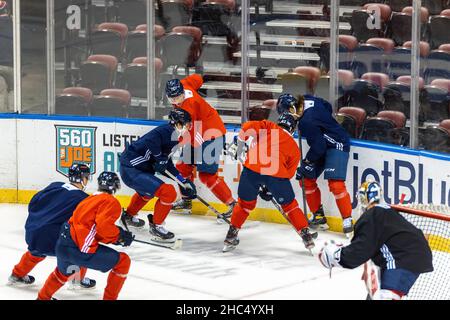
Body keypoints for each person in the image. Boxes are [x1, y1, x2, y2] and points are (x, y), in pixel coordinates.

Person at [318, 180, 433, 300]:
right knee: (376, 296)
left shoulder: (372, 215)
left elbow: (360, 251)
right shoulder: (387, 211)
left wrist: (336, 256)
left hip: (402, 259)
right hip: (413, 256)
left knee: (385, 297)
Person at [223, 112, 318, 252]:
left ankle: (231, 235)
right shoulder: (294, 148)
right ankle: (306, 236)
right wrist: (270, 187)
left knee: (244, 205)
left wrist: (239, 140)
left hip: (251, 169)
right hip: (277, 175)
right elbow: (288, 173)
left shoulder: (269, 127)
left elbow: (248, 126)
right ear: (292, 128)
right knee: (290, 206)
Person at [37, 172, 134, 300]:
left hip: (62, 244)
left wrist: (116, 237)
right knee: (123, 261)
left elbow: (91, 228)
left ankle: (42, 298)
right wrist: (118, 236)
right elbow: (103, 227)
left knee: (62, 273)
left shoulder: (87, 199)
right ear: (116, 186)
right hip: (79, 248)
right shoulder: (111, 201)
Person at [276, 93, 354, 235]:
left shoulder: (306, 122)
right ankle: (319, 217)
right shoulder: (305, 98)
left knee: (336, 184)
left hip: (337, 143)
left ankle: (347, 220)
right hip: (322, 143)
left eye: (287, 114)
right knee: (306, 179)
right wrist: (324, 124)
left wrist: (306, 163)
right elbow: (327, 105)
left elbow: (319, 147)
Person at [8, 163, 95, 289]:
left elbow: (34, 202)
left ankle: (16, 274)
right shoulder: (83, 199)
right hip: (51, 238)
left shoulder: (55, 185)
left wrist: (38, 220)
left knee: (36, 251)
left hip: (33, 231)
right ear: (83, 178)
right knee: (80, 249)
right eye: (87, 177)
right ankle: (76, 279)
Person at [119, 109, 197, 243]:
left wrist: (183, 181)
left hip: (139, 170)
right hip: (131, 169)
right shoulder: (165, 131)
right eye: (187, 124)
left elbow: (167, 164)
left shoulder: (173, 136)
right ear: (178, 123)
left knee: (147, 193)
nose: (188, 128)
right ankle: (157, 226)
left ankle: (128, 216)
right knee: (168, 193)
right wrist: (158, 157)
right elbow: (150, 142)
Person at [165, 76, 236, 219]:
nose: (175, 101)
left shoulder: (188, 107)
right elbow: (197, 79)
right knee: (182, 169)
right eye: (172, 98)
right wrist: (204, 77)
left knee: (206, 175)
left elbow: (188, 133)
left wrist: (170, 147)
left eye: (178, 97)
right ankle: (186, 200)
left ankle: (233, 206)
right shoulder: (184, 84)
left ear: (182, 92)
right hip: (197, 129)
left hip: (211, 134)